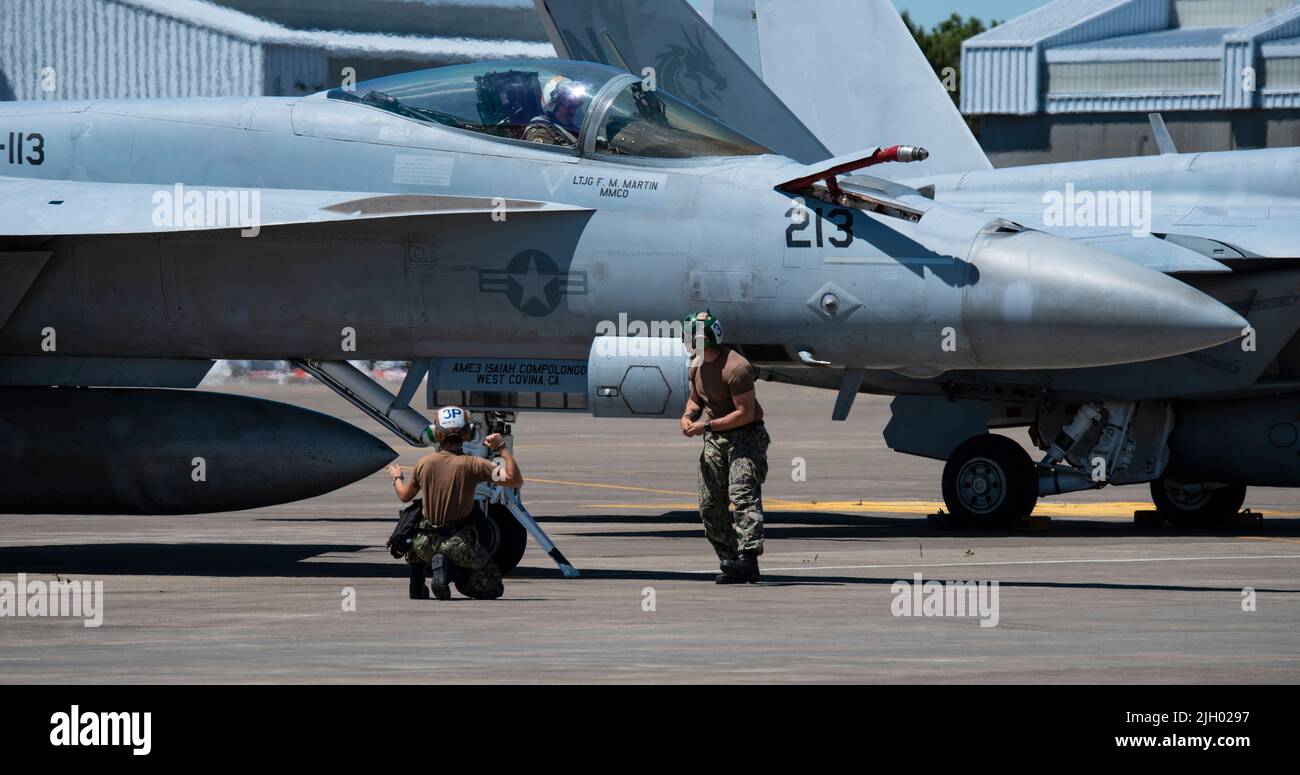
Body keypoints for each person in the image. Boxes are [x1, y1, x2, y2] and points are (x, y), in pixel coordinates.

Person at [388, 406, 522, 600]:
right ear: (467, 434)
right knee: (493, 587)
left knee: (416, 520)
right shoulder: (474, 464)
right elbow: (514, 479)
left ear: (436, 434)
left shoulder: (424, 463)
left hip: (423, 545)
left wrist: (396, 477)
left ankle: (417, 582)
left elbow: (404, 496)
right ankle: (450, 572)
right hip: (458, 543)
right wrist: (501, 448)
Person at [680, 310, 771, 584]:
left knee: (742, 494)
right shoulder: (696, 364)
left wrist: (705, 427)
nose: (693, 341)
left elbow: (745, 412)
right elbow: (696, 399)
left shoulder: (736, 367)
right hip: (716, 438)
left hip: (745, 436)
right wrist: (688, 416)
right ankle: (730, 559)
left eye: (697, 336)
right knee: (709, 504)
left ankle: (749, 559)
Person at [524, 75, 589, 147]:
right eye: (567, 105)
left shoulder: (574, 131)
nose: (572, 110)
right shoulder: (541, 134)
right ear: (552, 105)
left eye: (576, 105)